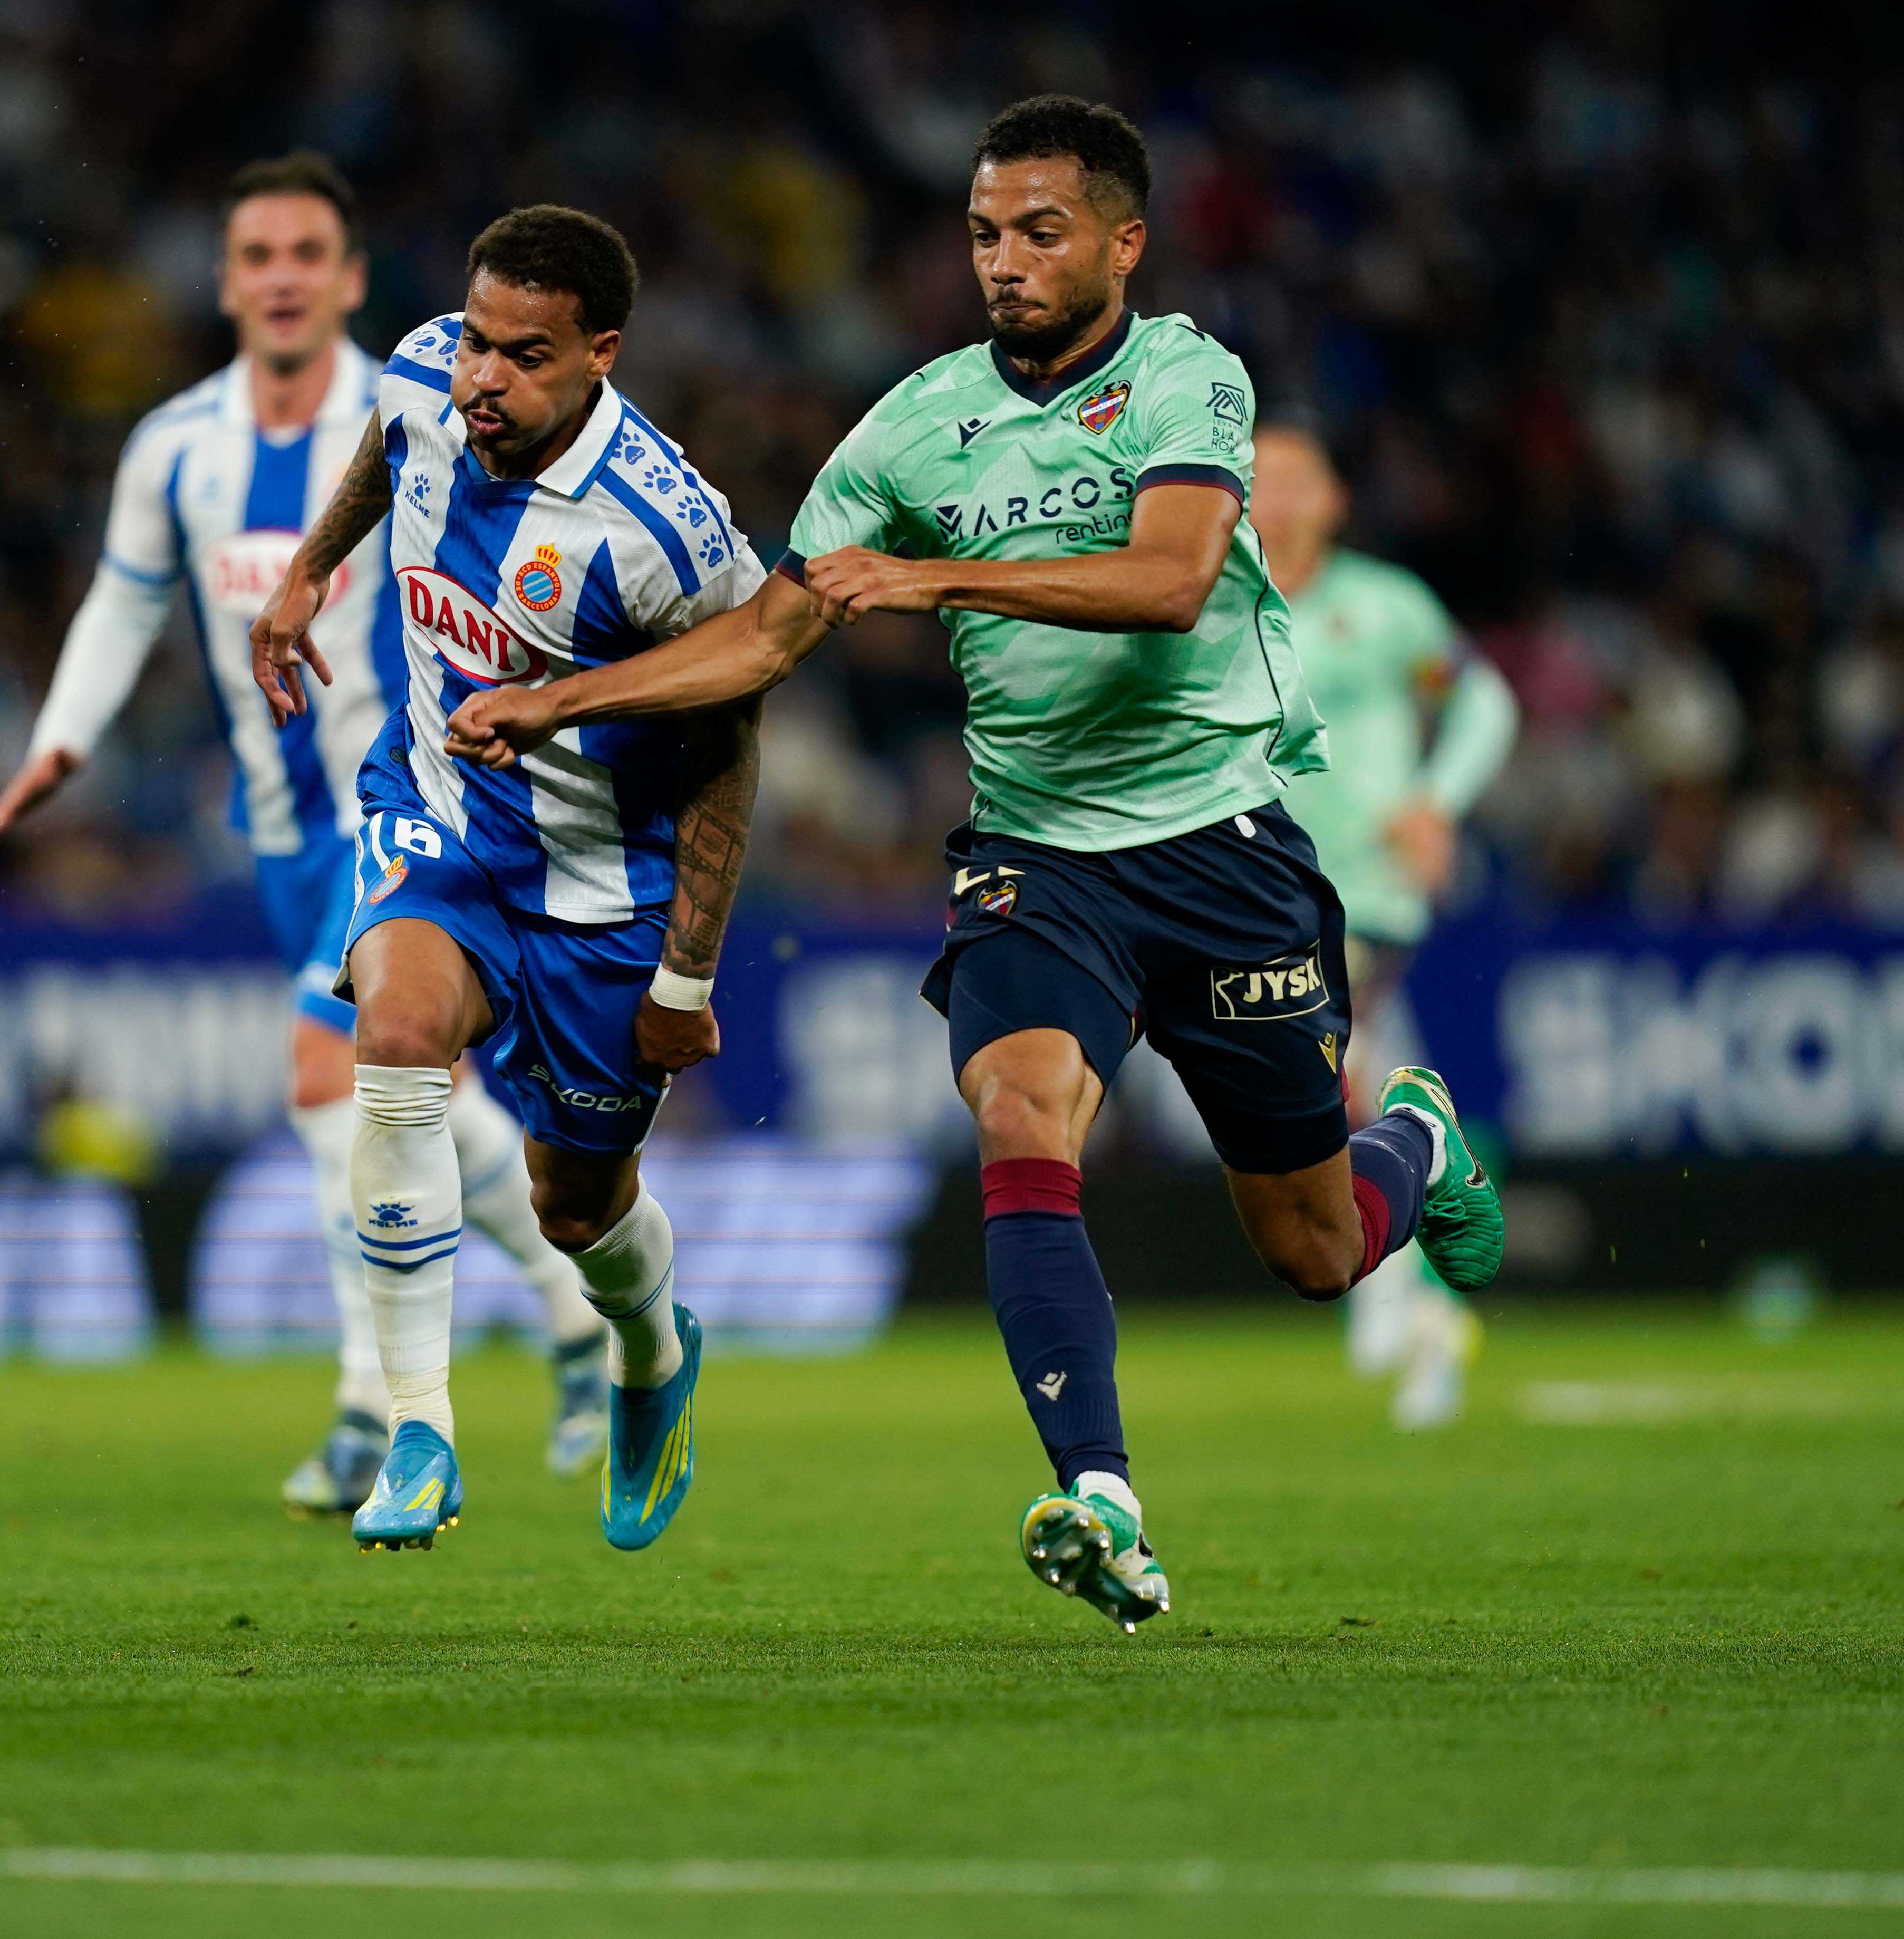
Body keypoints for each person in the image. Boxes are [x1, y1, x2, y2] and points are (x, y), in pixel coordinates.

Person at [442, 100, 1504, 1629]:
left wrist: (931, 573)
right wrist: (564, 693)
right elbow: (767, 633)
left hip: (1220, 849)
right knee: (1017, 1107)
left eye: (1040, 231)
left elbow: (1170, 579)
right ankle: (1101, 1496)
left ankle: (1412, 1136)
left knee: (1318, 1247)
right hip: (1035, 858)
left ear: (1121, 244)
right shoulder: (912, 422)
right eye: (983, 234)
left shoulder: (1187, 379)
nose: (1001, 261)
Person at [0, 156, 609, 1513]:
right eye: (255, 253)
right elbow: (119, 604)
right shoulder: (175, 450)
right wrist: (60, 743)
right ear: (225, 280)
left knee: (332, 1084)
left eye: (305, 252)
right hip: (276, 830)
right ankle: (568, 1322)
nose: (279, 276)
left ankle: (372, 1411)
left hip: (413, 804)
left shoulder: (425, 409)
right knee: (410, 1106)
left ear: (349, 278)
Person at [253, 204, 766, 1555]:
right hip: (440, 816)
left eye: (524, 356)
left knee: (574, 1207)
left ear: (601, 353)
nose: (484, 376)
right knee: (400, 1031)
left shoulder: (663, 531)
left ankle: (651, 1357)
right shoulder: (429, 373)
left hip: (604, 889)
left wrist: (686, 972)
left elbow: (727, 746)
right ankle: (420, 1429)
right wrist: (309, 573)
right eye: (479, 340)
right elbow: (388, 439)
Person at [1251, 422, 1520, 1431]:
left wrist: (1438, 801)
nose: (1275, 498)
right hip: (1259, 886)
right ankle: (1418, 1269)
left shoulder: (1387, 608)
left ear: (1333, 502)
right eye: (1258, 479)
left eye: (1296, 480)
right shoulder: (1215, 598)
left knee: (1339, 1070)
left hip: (1366, 888)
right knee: (1340, 1080)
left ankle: (1403, 1289)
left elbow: (1483, 699)